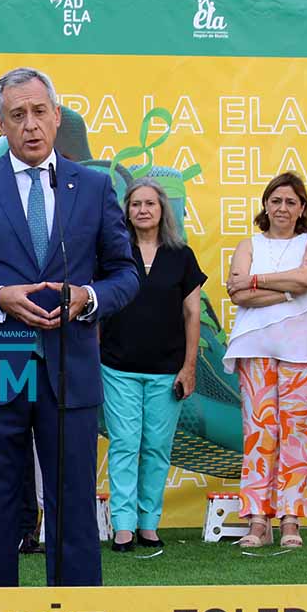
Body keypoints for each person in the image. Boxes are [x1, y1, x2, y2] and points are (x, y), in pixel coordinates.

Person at [0, 67, 139, 587]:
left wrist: (88, 297)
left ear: (57, 117)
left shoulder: (91, 187)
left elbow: (126, 273)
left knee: (72, 507)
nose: (31, 124)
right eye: (17, 115)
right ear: (0, 124)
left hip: (71, 366)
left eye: (40, 111)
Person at [223, 171, 307, 549]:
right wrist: (289, 292)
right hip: (254, 347)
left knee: (296, 431)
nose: (282, 207)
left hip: (303, 350)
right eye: (276, 200)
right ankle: (257, 520)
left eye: (290, 201)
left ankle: (290, 519)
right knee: (259, 431)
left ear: (302, 207)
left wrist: (259, 282)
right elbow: (237, 293)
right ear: (265, 205)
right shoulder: (249, 244)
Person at [101, 178, 205, 552]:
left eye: (150, 203)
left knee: (157, 447)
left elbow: (192, 314)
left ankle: (149, 524)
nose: (142, 210)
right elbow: (98, 311)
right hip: (116, 367)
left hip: (167, 370)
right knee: (125, 445)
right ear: (125, 211)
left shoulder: (182, 256)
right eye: (135, 204)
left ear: (163, 210)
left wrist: (189, 367)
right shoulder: (112, 254)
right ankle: (124, 526)